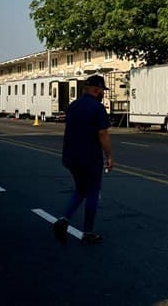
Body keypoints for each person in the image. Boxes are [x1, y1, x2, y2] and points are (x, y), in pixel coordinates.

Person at [53, 74, 113, 245]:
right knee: (93, 192)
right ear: (96, 89)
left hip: (71, 157)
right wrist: (109, 156)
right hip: (90, 157)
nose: (103, 93)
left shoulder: (73, 106)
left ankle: (64, 220)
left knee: (80, 190)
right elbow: (102, 133)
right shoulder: (97, 108)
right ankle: (87, 233)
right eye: (102, 90)